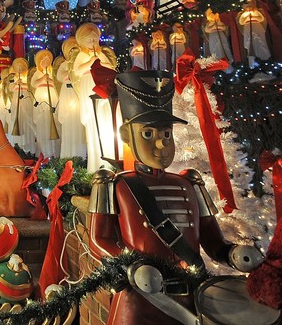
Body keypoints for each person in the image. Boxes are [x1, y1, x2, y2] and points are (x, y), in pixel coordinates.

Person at [87, 69, 264, 325]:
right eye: (148, 134)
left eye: (166, 134)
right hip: (139, 300)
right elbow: (98, 239)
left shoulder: (189, 182)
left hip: (188, 299)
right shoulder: (113, 184)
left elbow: (211, 239)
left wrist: (232, 254)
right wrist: (132, 266)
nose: (161, 143)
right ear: (126, 135)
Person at [70, 23, 117, 173]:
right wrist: (91, 62)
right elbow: (77, 70)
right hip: (89, 84)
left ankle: (110, 160)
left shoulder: (100, 53)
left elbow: (110, 67)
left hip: (102, 85)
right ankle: (95, 164)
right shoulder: (82, 55)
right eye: (89, 40)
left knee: (106, 119)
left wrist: (100, 62)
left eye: (95, 40)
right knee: (93, 120)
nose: (92, 42)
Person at [54, 37, 86, 159]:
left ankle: (81, 155)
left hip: (78, 92)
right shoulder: (65, 64)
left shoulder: (81, 62)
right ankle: (68, 155)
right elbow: (59, 76)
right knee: (69, 123)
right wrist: (70, 72)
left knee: (79, 122)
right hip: (68, 93)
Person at [29, 49, 60, 158]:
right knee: (43, 121)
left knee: (53, 118)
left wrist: (50, 80)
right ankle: (44, 151)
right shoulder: (38, 73)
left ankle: (55, 151)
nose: (46, 63)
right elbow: (33, 83)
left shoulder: (52, 73)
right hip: (41, 95)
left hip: (51, 94)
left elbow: (56, 82)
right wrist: (42, 78)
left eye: (47, 61)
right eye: (43, 61)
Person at [237, 0, 272, 66]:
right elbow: (241, 22)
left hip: (257, 26)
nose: (249, 6)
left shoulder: (256, 12)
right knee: (250, 41)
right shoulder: (244, 14)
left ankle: (264, 58)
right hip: (248, 27)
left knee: (260, 41)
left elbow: (261, 18)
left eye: (250, 4)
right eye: (247, 4)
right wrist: (247, 17)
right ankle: (253, 61)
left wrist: (254, 17)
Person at [203, 8, 234, 73]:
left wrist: (217, 26)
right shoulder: (209, 24)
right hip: (213, 36)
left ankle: (228, 62)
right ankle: (219, 63)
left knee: (224, 46)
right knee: (215, 48)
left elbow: (224, 27)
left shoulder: (219, 22)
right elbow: (207, 30)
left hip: (220, 34)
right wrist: (214, 26)